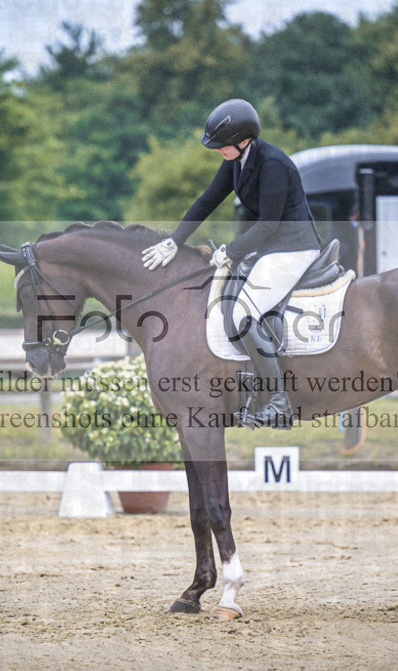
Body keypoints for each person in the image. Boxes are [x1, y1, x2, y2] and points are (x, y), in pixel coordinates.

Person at [141, 98, 320, 429]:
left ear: (244, 140)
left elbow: (269, 224)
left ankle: (278, 402)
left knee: (243, 313)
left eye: (222, 145)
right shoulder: (236, 160)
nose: (217, 150)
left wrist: (233, 250)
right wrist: (174, 240)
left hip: (293, 247)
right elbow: (207, 200)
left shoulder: (273, 164)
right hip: (269, 248)